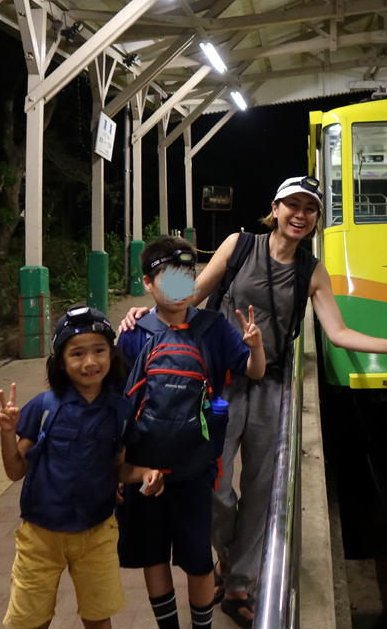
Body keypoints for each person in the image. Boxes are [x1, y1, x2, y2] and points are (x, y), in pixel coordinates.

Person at [120, 175, 387, 627]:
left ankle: (240, 582)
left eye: (309, 209)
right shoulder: (239, 246)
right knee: (214, 485)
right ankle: (226, 558)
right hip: (219, 384)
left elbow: (338, 332)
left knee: (263, 492)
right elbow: (190, 296)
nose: (300, 215)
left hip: (270, 385)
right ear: (276, 207)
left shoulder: (312, 271)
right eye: (293, 205)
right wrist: (142, 313)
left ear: (315, 219)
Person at [117, 236, 266, 629]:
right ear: (147, 284)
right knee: (153, 556)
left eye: (187, 275)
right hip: (142, 469)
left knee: (198, 559)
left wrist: (256, 348)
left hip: (197, 468)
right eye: (168, 277)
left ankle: (202, 625)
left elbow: (253, 371)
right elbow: (119, 402)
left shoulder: (214, 326)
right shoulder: (132, 333)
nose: (181, 285)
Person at [0, 305, 164, 629]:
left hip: (97, 533)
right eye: (77, 354)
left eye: (99, 350)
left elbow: (118, 468)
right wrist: (7, 433)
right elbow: (15, 470)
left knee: (98, 617)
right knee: (30, 620)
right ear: (61, 361)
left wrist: (142, 474)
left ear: (112, 355)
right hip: (40, 535)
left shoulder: (121, 411)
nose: (90, 362)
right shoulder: (44, 407)